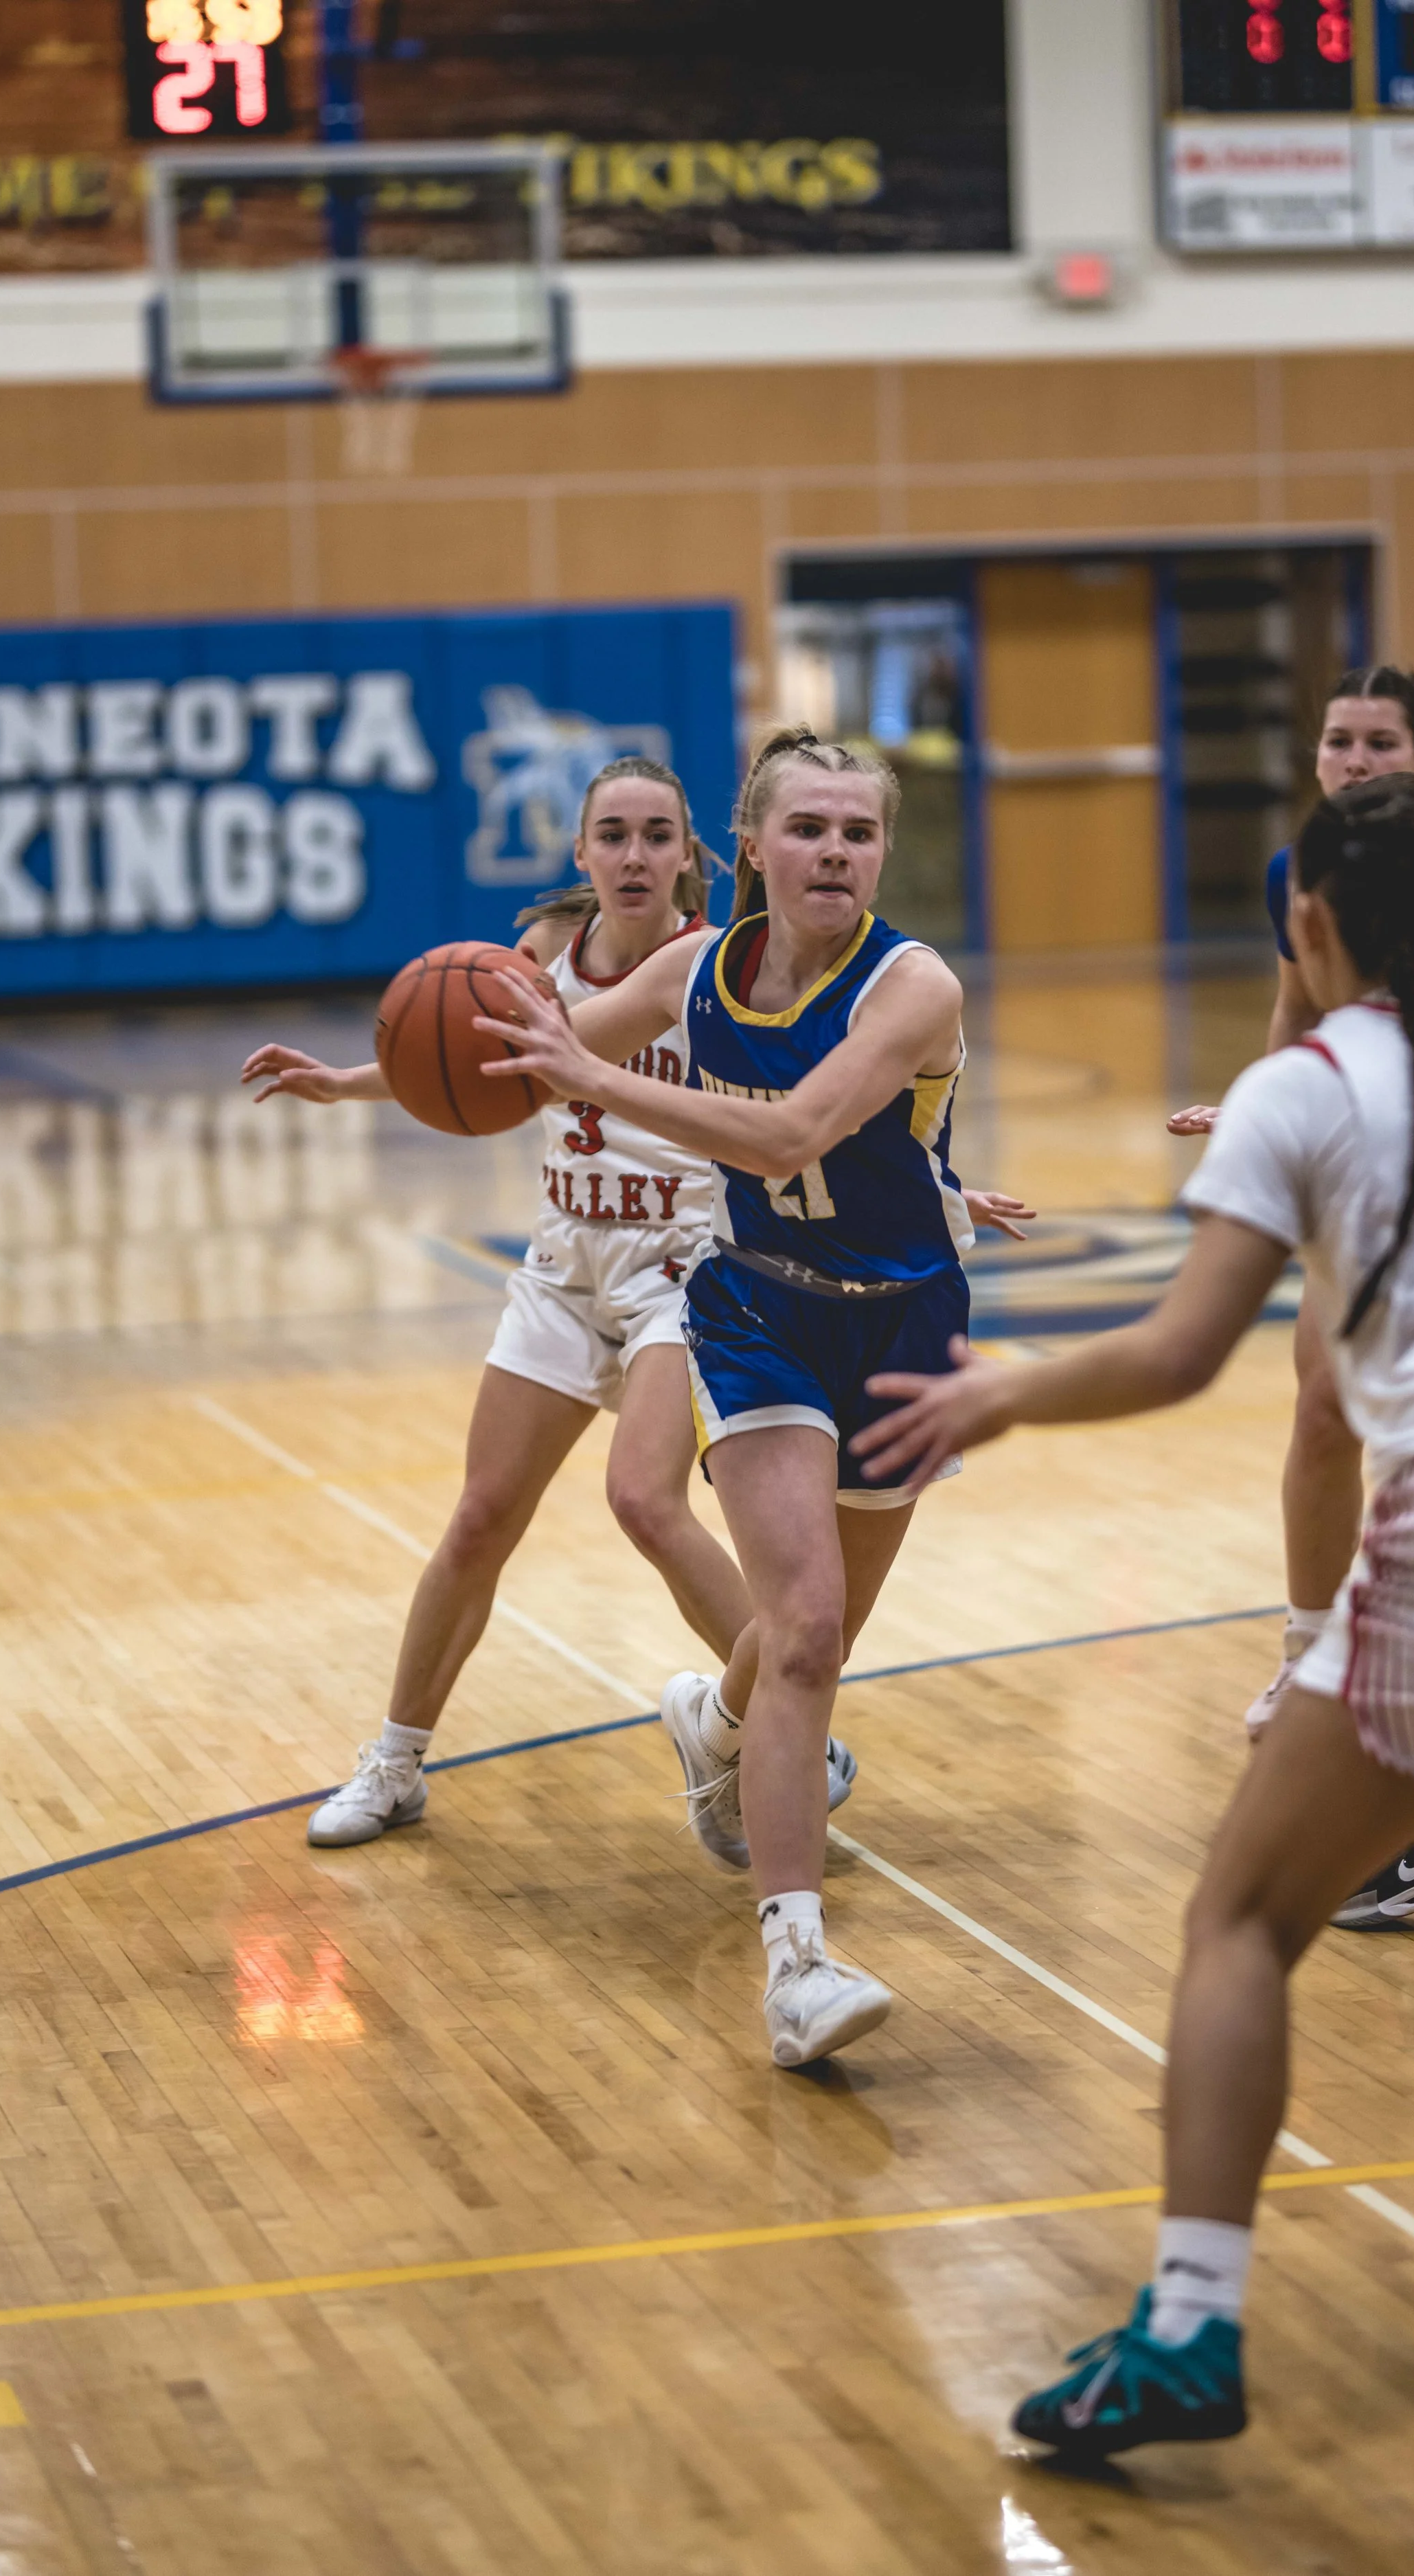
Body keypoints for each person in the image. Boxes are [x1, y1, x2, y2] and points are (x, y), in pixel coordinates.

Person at [855, 772, 1414, 2453]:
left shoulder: (1299, 1088)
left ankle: (1185, 2330)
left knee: (1237, 1922)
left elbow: (1177, 1355)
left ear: (1308, 928)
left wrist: (1005, 1398)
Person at [474, 725, 1031, 2068]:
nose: (835, 851)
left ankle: (708, 1726)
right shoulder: (695, 965)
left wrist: (597, 1084)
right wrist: (369, 1074)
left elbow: (789, 1133)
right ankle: (795, 1962)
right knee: (806, 1630)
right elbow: (513, 1047)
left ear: (879, 851)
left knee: (797, 1649)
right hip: (753, 1309)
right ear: (753, 849)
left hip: (900, 1331)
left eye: (858, 831)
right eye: (809, 828)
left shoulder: (914, 986)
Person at [242, 755, 854, 1849]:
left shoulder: (722, 970)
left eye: (657, 835)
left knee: (646, 1500)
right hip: (565, 1259)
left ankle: (783, 1725)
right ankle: (395, 1763)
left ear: (691, 856)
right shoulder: (529, 960)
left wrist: (931, 1188)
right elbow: (469, 1064)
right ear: (580, 853)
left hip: (689, 1263)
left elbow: (806, 1105)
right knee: (481, 1518)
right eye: (612, 834)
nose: (634, 855)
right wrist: (347, 1081)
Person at [1168, 669, 1414, 1928]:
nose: (1354, 758)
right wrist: (1276, 1102)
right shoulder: (1310, 885)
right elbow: (1306, 1021)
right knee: (1328, 1410)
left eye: (1380, 741)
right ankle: (1314, 1665)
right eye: (1337, 740)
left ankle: (1413, 1799)